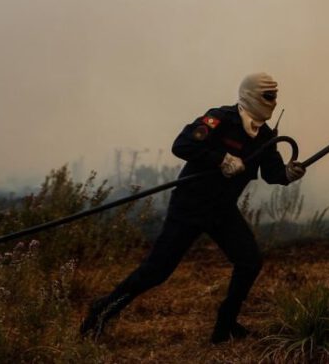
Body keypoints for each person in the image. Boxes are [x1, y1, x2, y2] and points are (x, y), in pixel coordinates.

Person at [80, 72, 306, 344]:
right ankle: (101, 312)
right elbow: (182, 145)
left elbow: (272, 174)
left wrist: (288, 174)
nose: (272, 100)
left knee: (249, 262)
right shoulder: (221, 119)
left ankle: (225, 326)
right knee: (156, 271)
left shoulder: (265, 136)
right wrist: (221, 158)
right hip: (190, 205)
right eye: (268, 95)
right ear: (250, 95)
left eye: (274, 96)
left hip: (222, 210)